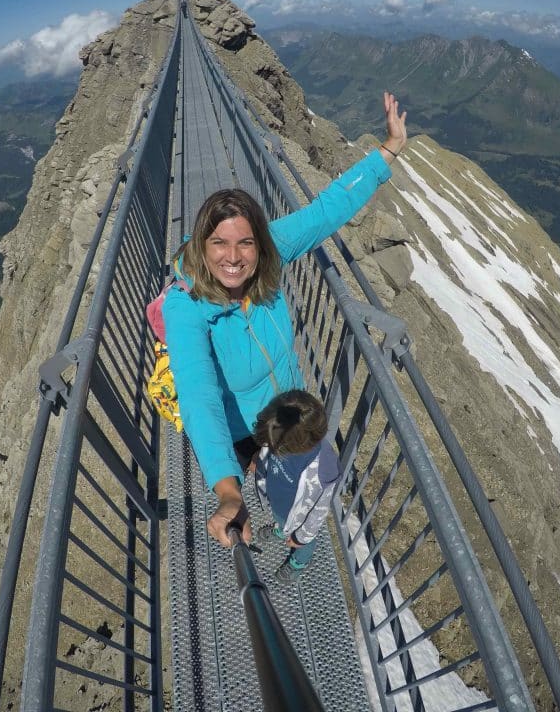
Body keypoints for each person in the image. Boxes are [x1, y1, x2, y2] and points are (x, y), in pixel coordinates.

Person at [163, 91, 407, 547]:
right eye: (218, 243)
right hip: (243, 431)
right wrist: (226, 490)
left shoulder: (269, 252)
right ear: (201, 245)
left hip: (286, 408)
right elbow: (198, 397)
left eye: (245, 244)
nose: (233, 258)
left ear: (260, 243)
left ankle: (291, 532)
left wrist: (389, 150)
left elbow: (324, 212)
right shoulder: (187, 306)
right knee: (277, 476)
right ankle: (266, 499)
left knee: (307, 472)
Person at [252, 389, 339, 583]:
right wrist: (260, 462)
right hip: (280, 505)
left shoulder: (323, 469)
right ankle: (281, 530)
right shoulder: (283, 437)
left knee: (305, 543)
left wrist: (301, 537)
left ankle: (299, 561)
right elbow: (268, 455)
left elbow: (318, 511)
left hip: (300, 518)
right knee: (282, 521)